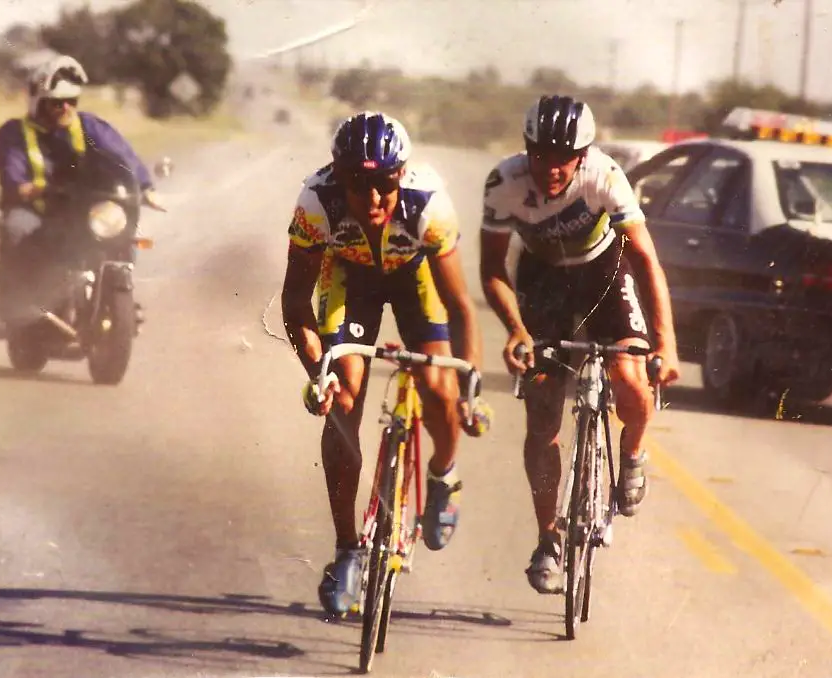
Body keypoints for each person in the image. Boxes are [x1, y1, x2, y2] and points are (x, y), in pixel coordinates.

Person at [281, 111, 492, 618]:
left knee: (440, 387)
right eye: (359, 183)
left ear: (401, 176)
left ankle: (442, 475)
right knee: (344, 403)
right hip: (349, 278)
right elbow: (294, 303)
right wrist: (320, 373)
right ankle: (346, 549)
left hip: (413, 275)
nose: (374, 198)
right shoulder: (317, 202)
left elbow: (461, 306)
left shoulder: (428, 206)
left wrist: (471, 385)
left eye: (384, 184)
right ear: (339, 176)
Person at [479, 95, 681, 594]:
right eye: (541, 154)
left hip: (603, 274)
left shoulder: (605, 176)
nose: (552, 167)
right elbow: (490, 270)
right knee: (543, 416)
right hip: (542, 280)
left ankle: (632, 453)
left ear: (583, 154)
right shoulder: (504, 183)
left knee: (630, 379)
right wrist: (516, 330)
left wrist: (666, 344)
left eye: (565, 156)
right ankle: (547, 539)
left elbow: (647, 263)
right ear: (526, 149)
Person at [0, 54, 164, 316]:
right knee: (17, 227)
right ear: (40, 102)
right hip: (37, 210)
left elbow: (123, 156)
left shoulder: (90, 127)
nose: (66, 108)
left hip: (81, 209)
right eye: (57, 103)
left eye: (71, 101)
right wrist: (33, 189)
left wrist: (145, 187)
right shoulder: (15, 133)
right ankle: (16, 297)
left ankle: (121, 292)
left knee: (122, 230)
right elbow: (14, 180)